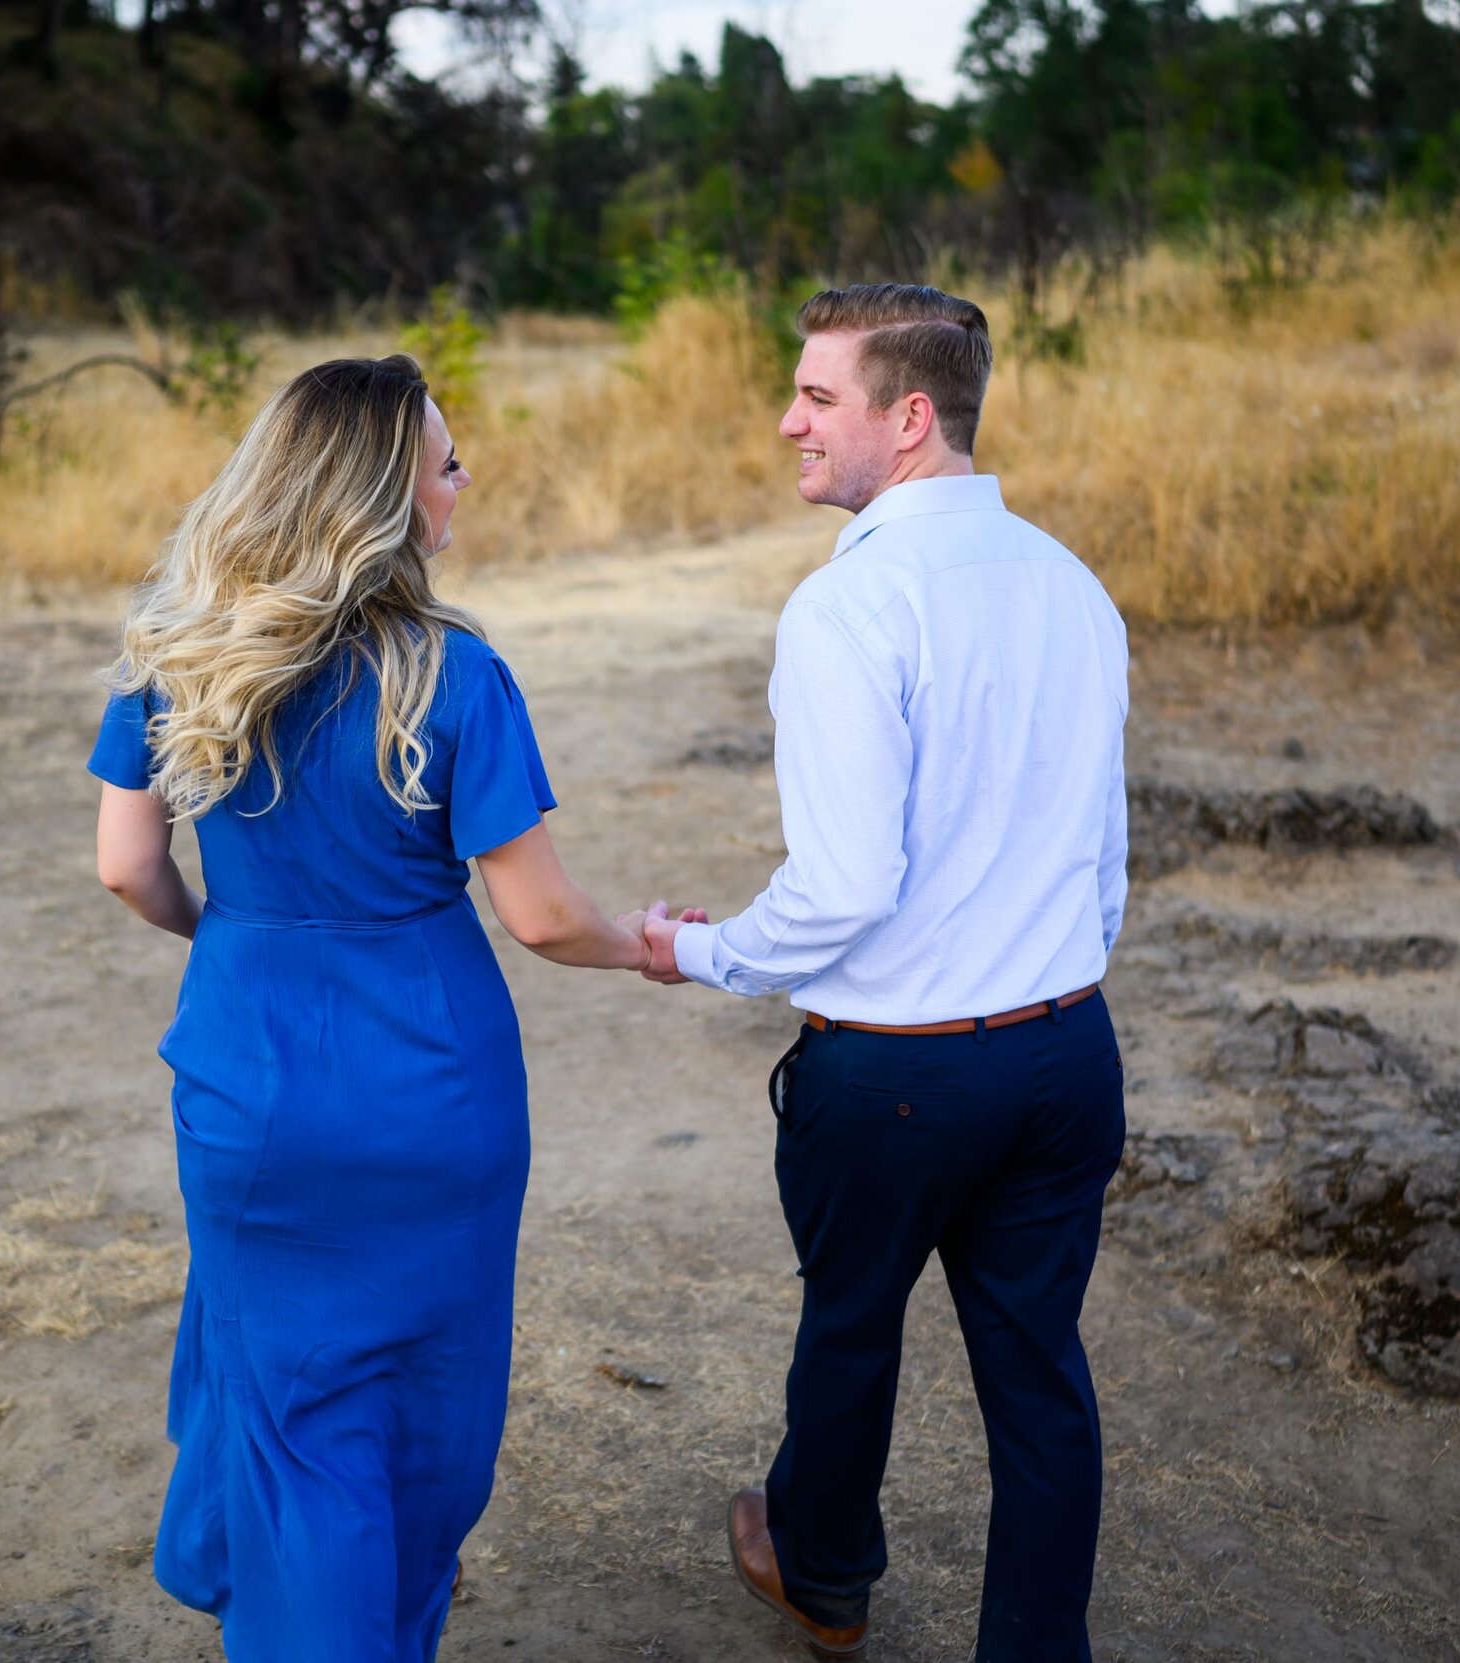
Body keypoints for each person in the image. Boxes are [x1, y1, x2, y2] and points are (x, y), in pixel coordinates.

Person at [88, 354, 696, 1662]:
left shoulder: (179, 653)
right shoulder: (455, 675)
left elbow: (126, 866)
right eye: (449, 461)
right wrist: (648, 947)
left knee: (285, 1397)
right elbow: (537, 916)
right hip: (434, 1087)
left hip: (250, 1077)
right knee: (427, 1402)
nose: (465, 482)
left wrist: (231, 935)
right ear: (387, 496)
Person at [636, 285, 1131, 1663]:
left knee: (851, 1331)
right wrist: (1049, 981)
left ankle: (825, 1580)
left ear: (908, 419)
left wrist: (703, 953)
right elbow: (1105, 855)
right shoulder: (1073, 585)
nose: (788, 419)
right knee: (1041, 1380)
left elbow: (846, 886)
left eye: (818, 397)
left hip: (902, 1076)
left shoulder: (849, 605)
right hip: (1065, 1053)